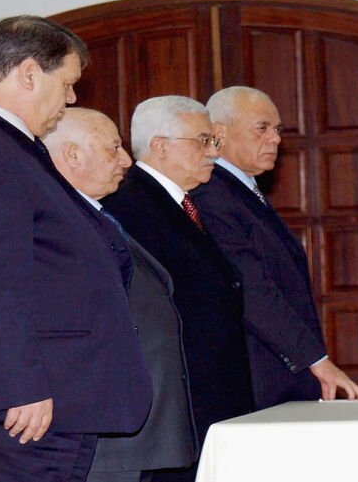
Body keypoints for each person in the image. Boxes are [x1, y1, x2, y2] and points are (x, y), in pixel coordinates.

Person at [0, 16, 151, 482]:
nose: (72, 98)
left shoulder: (8, 146)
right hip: (13, 415)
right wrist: (19, 385)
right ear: (30, 73)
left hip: (46, 406)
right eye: (68, 83)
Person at [101, 95, 252, 481]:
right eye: (202, 140)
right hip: (176, 395)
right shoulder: (127, 202)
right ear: (160, 145)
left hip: (210, 388)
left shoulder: (191, 201)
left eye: (214, 142)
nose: (213, 152)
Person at [42, 108, 198, 482]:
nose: (127, 160)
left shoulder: (97, 214)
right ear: (72, 155)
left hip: (136, 429)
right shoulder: (53, 224)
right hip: (104, 436)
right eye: (114, 148)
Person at [193, 86, 358, 409]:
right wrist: (315, 358)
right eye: (262, 128)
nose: (275, 139)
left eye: (277, 130)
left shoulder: (242, 190)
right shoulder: (212, 195)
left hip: (280, 371)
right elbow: (252, 287)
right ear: (220, 133)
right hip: (258, 376)